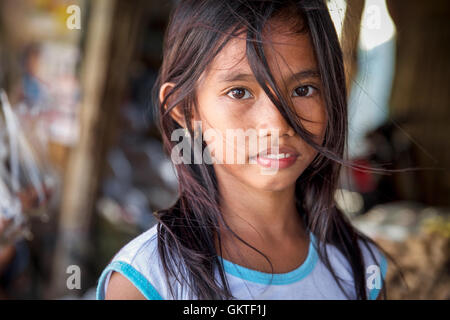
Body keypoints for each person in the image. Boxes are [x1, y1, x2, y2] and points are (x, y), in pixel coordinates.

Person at [96, 0, 389, 300]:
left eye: (303, 90)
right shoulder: (148, 282)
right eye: (240, 92)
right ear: (186, 109)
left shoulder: (359, 267)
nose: (276, 124)